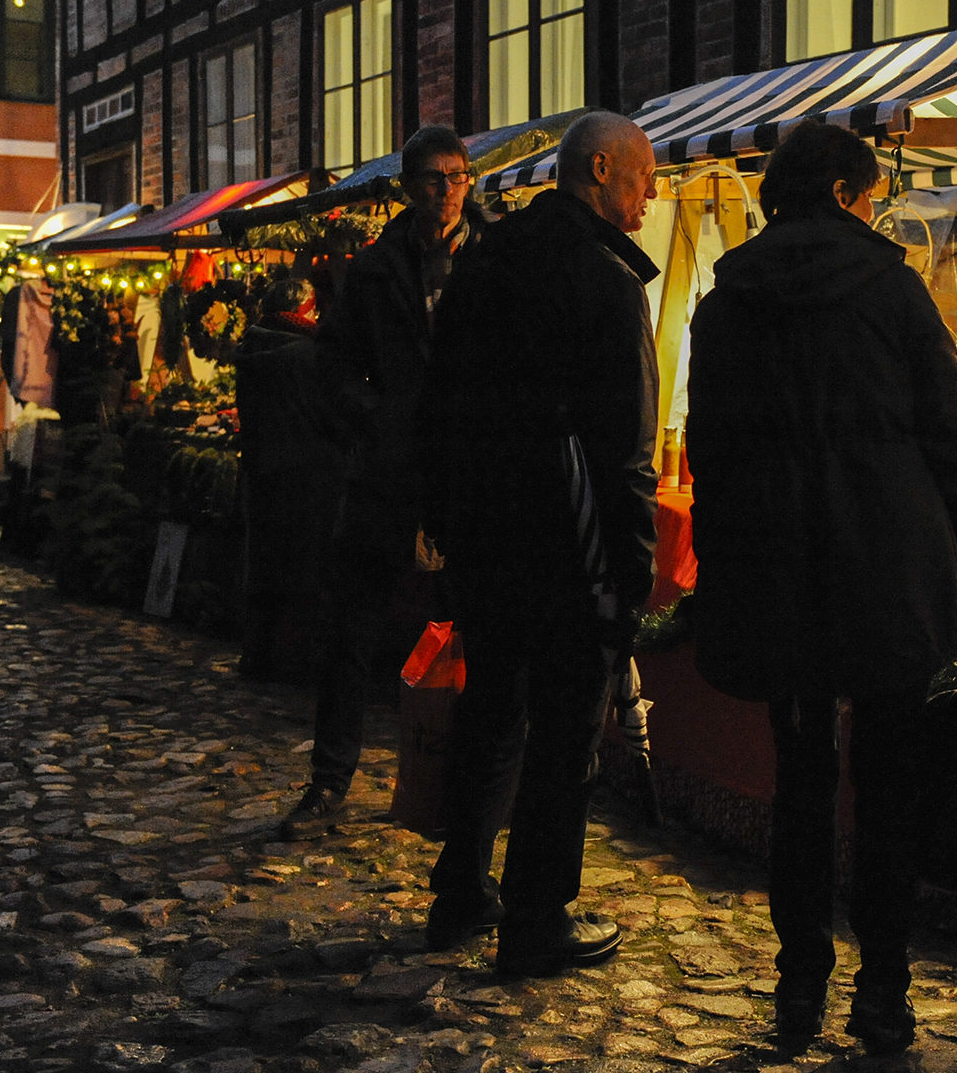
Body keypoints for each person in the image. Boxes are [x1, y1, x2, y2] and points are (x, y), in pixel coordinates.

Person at [684, 122, 957, 1052]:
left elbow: (711, 451)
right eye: (871, 197)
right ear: (845, 194)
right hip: (888, 565)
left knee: (802, 779)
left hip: (777, 567)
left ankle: (797, 986)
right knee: (889, 784)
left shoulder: (727, 297)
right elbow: (952, 443)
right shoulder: (894, 290)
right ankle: (883, 989)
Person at [420, 110, 661, 974]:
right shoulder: (603, 280)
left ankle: (460, 888)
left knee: (490, 708)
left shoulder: (485, 261)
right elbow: (626, 449)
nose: (649, 199)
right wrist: (632, 571)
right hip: (568, 543)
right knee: (564, 730)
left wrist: (445, 523)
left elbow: (437, 405)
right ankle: (535, 916)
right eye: (641, 180)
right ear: (600, 170)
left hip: (487, 535)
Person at [272, 125, 496, 840]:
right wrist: (373, 419)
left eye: (458, 175)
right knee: (352, 626)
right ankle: (331, 779)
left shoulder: (494, 255)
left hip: (470, 470)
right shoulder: (376, 268)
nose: (448, 189)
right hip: (389, 470)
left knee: (482, 629)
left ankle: (475, 784)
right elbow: (333, 362)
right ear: (409, 186)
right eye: (434, 177)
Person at [232, 275, 355, 684]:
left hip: (262, 471)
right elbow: (332, 414)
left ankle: (258, 654)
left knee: (264, 566)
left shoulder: (251, 347)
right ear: (302, 309)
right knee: (304, 569)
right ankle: (297, 659)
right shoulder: (309, 354)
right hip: (307, 475)